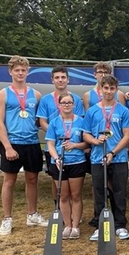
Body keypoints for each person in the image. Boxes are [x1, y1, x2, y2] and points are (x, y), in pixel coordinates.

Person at [0, 55, 46, 236]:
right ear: (10, 72)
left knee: (32, 179)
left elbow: (41, 120)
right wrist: (7, 146)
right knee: (9, 181)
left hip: (31, 142)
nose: (20, 73)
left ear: (28, 71)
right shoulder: (3, 94)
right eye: (17, 70)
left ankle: (32, 214)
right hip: (12, 143)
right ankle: (7, 218)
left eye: (23, 70)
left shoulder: (36, 95)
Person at [83, 74, 129, 241]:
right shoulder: (92, 111)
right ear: (101, 89)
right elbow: (85, 134)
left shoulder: (123, 110)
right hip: (98, 157)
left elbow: (127, 136)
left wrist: (113, 153)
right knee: (99, 192)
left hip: (117, 158)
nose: (109, 91)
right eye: (106, 88)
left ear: (116, 89)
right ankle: (100, 225)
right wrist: (96, 141)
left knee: (120, 192)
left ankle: (120, 225)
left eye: (112, 88)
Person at [37, 66, 85, 211]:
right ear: (52, 80)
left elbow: (80, 122)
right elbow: (42, 121)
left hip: (74, 147)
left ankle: (74, 212)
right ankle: (58, 207)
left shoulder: (75, 99)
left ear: (68, 79)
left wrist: (72, 140)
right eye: (57, 77)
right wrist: (55, 134)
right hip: (54, 146)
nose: (60, 80)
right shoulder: (46, 100)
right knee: (56, 179)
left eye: (63, 77)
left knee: (74, 184)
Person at [45, 93, 88, 239]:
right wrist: (56, 158)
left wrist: (75, 145)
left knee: (76, 195)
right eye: (64, 102)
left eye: (70, 102)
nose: (67, 105)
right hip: (59, 163)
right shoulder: (54, 122)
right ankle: (67, 224)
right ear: (59, 105)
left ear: (74, 105)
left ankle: (75, 226)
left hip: (77, 162)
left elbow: (87, 143)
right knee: (63, 196)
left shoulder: (81, 121)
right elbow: (50, 144)